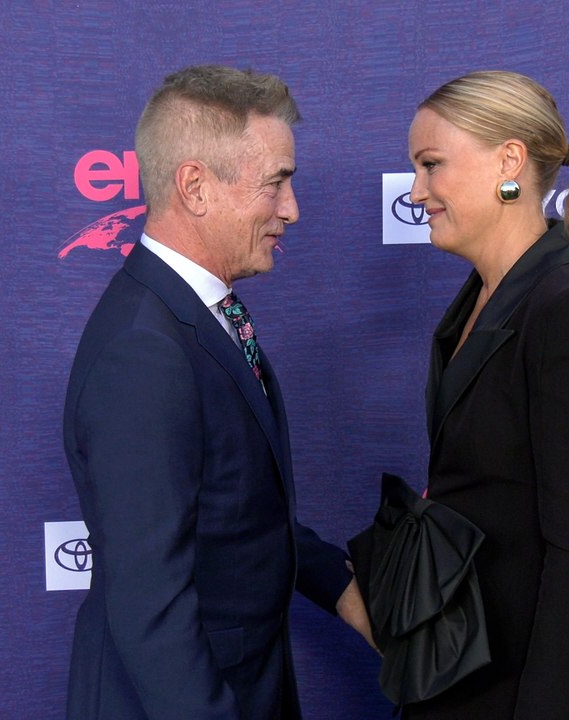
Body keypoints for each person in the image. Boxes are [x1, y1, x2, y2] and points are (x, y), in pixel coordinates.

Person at [62, 65, 371, 720]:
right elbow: (151, 605)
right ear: (196, 187)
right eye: (275, 183)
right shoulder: (144, 351)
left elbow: (232, 514)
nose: (291, 209)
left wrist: (343, 588)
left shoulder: (198, 314)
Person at [401, 71, 569, 718]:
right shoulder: (481, 297)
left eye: (431, 165)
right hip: (473, 665)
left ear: (509, 161)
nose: (416, 192)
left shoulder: (568, 309)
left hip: (539, 687)